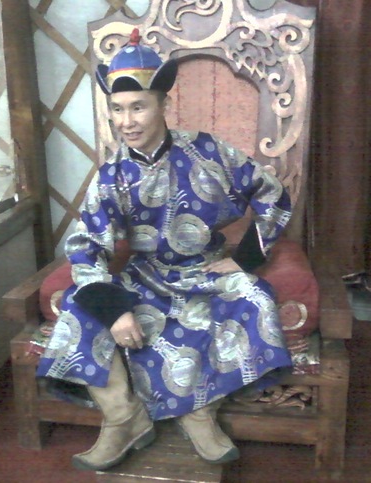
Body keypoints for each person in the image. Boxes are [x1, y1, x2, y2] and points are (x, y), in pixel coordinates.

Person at [36, 28, 292, 471]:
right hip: (145, 275)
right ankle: (123, 418)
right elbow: (86, 246)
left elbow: (272, 193)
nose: (127, 121)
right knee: (80, 305)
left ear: (163, 104)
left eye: (138, 107)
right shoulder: (112, 175)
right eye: (118, 109)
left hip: (205, 271)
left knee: (254, 296)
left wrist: (244, 258)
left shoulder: (208, 151)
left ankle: (201, 412)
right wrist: (115, 310)